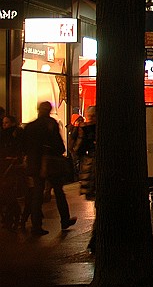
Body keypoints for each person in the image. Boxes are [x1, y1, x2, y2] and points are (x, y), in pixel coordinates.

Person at [22, 101, 75, 236]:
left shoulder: (30, 126)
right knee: (58, 191)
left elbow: (24, 147)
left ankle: (36, 225)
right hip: (50, 163)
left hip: (35, 164)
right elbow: (59, 146)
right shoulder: (51, 124)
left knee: (37, 194)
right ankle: (64, 219)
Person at [0, 115, 25, 231]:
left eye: (6, 123)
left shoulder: (16, 135)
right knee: (8, 194)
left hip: (12, 168)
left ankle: (11, 219)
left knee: (9, 194)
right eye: (3, 123)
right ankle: (15, 217)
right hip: (6, 167)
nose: (4, 125)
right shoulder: (4, 135)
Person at [73, 106, 98, 201]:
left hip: (90, 160)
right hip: (95, 159)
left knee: (91, 188)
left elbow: (80, 145)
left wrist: (76, 152)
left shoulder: (85, 128)